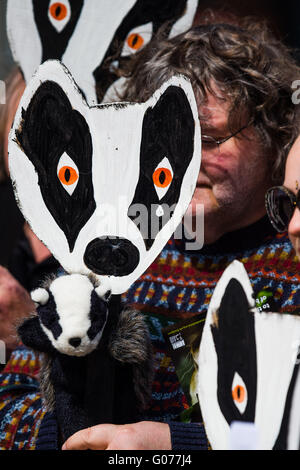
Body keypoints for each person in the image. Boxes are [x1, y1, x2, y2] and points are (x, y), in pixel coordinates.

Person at [1, 18, 300, 450]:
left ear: (273, 135)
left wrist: (175, 446)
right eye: (172, 141)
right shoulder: (107, 256)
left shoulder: (292, 258)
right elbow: (10, 403)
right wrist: (71, 437)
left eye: (210, 138)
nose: (187, 158)